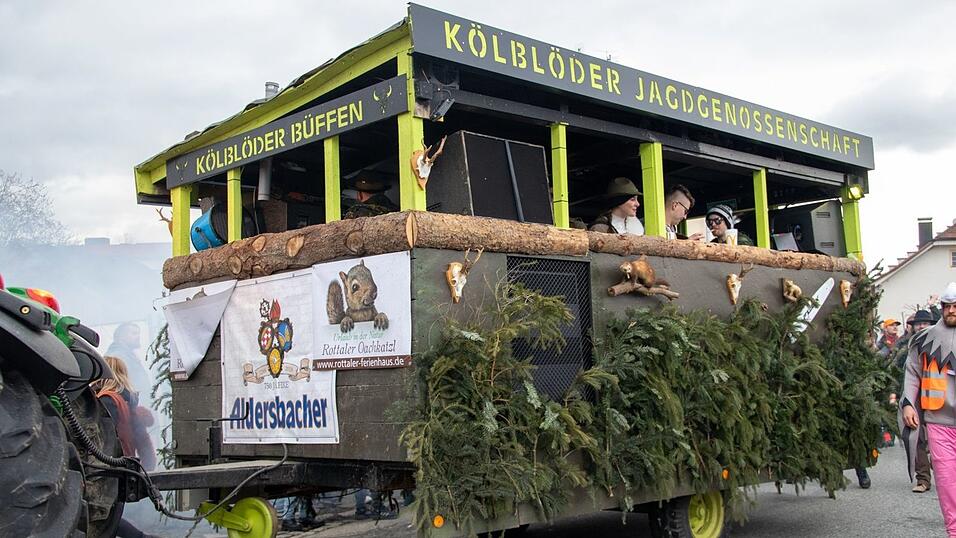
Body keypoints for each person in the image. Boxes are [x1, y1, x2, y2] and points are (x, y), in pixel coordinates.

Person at [901, 283, 956, 536]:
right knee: (947, 486)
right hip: (939, 421)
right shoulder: (924, 340)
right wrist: (908, 404)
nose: (951, 311)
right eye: (947, 306)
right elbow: (912, 373)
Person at [91, 356, 158, 538]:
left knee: (105, 516)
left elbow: (103, 434)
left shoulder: (107, 400)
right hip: (124, 461)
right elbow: (140, 435)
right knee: (110, 515)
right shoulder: (125, 399)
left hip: (108, 463)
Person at [894, 309, 937, 493]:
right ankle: (923, 480)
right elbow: (895, 372)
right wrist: (897, 396)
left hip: (936, 394)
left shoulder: (940, 342)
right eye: (918, 324)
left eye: (924, 323)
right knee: (915, 436)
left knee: (938, 437)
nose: (921, 326)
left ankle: (943, 470)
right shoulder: (905, 346)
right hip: (913, 396)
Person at [107, 323, 151, 397]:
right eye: (134, 333)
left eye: (138, 333)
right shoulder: (118, 356)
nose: (138, 337)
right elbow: (120, 383)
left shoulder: (127, 355)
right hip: (131, 403)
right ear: (121, 337)